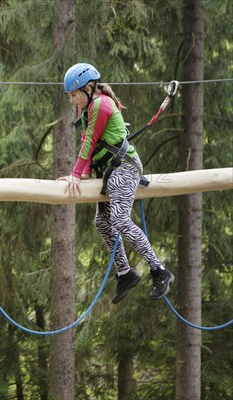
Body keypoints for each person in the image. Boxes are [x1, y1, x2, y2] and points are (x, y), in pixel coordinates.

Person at [58, 63, 174, 304]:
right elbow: (88, 146)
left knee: (120, 219)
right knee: (102, 222)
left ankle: (159, 270)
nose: (71, 100)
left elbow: (89, 142)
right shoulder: (87, 110)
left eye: (73, 94)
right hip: (109, 172)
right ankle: (125, 273)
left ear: (88, 88)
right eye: (69, 96)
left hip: (124, 167)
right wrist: (85, 172)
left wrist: (75, 174)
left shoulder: (101, 104)